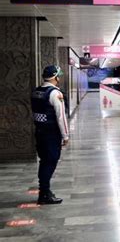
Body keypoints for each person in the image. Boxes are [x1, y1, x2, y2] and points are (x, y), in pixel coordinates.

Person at [31, 65, 69, 205]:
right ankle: (44, 193)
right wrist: (65, 136)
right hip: (51, 134)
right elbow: (61, 117)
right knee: (50, 161)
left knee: (44, 161)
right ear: (55, 77)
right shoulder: (54, 93)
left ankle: (44, 190)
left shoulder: (36, 92)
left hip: (39, 132)